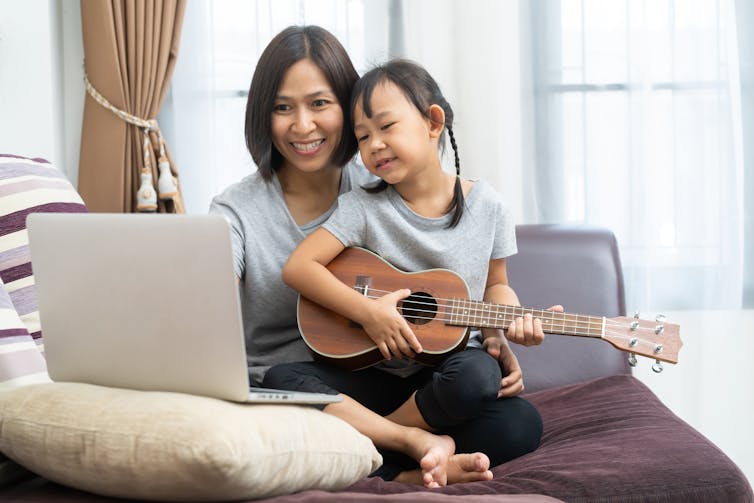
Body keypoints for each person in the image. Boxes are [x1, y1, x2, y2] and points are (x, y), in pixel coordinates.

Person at [272, 58, 563, 488]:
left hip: (439, 384)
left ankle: (374, 443)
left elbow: (496, 285)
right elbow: (299, 268)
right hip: (372, 376)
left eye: (386, 127)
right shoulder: (362, 208)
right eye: (363, 136)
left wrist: (508, 323)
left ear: (433, 122)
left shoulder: (489, 207)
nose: (374, 145)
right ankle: (409, 447)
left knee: (513, 415)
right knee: (279, 380)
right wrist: (369, 314)